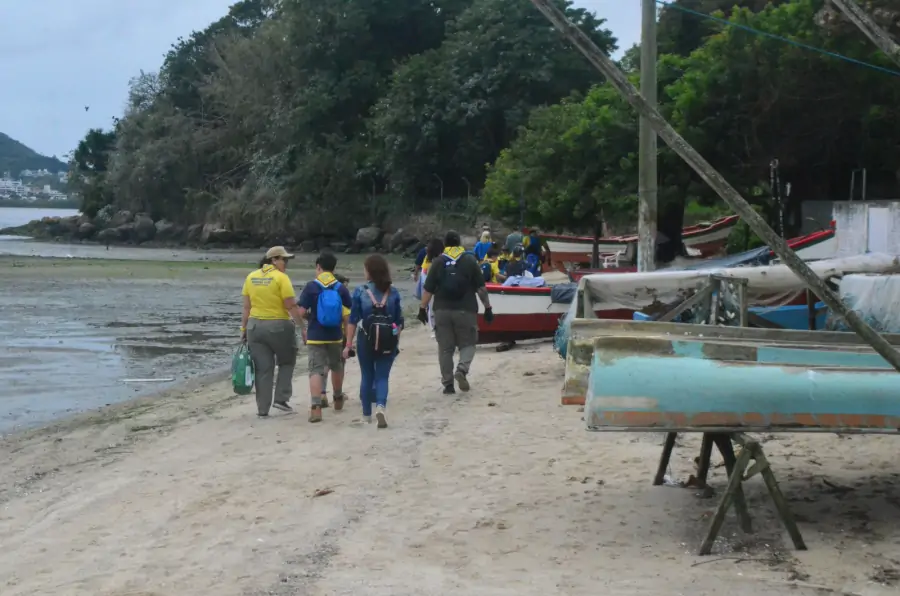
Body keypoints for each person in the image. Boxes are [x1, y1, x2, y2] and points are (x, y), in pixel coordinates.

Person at [419, 230, 494, 394]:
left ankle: (448, 385)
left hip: (442, 311)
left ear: (445, 244)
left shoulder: (438, 261)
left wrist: (422, 308)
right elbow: (481, 288)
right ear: (459, 243)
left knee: (445, 349)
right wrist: (487, 307)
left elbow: (428, 289)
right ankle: (461, 369)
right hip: (465, 310)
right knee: (468, 344)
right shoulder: (469, 260)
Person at [241, 246, 304, 417]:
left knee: (263, 368)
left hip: (254, 326)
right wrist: (302, 327)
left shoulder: (251, 277)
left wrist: (243, 329)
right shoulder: (281, 278)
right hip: (278, 325)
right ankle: (281, 399)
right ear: (274, 260)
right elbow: (290, 305)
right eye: (284, 260)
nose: (286, 263)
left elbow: (247, 307)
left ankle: (262, 409)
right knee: (287, 360)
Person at [344, 254, 403, 428]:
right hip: (388, 338)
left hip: (366, 338)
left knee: (367, 375)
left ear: (369, 271)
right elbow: (399, 322)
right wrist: (395, 341)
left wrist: (348, 344)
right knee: (383, 376)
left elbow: (353, 320)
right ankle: (380, 407)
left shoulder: (361, 291)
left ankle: (366, 415)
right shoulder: (393, 292)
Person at [298, 252, 352, 423]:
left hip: (315, 335)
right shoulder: (340, 288)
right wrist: (348, 339)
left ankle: (315, 407)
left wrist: (306, 320)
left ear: (318, 267)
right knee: (336, 366)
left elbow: (299, 312)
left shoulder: (311, 287)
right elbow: (348, 315)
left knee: (315, 369)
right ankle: (337, 398)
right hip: (335, 335)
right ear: (334, 268)